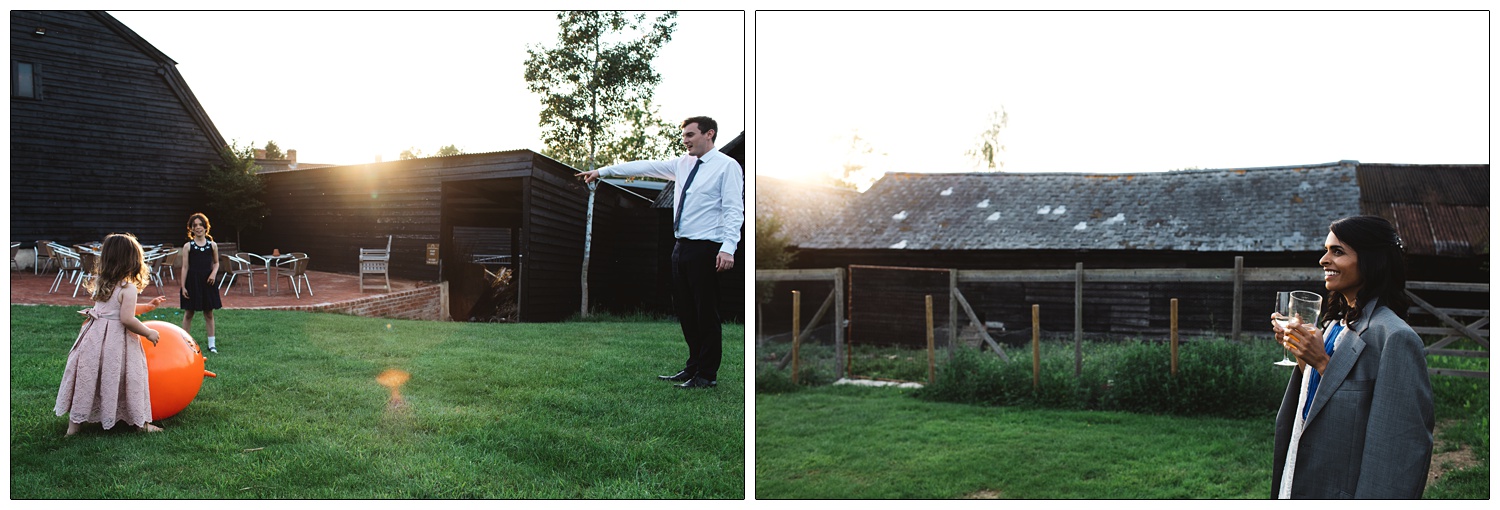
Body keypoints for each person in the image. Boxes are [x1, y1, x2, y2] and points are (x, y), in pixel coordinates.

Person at [1270, 215, 1434, 499]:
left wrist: (1322, 362)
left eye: (1337, 251)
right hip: (1302, 476)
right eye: (1326, 249)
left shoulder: (1395, 337)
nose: (1323, 259)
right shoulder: (1335, 324)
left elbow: (1398, 449)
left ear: (1371, 260)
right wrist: (1304, 356)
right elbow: (1320, 398)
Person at [577, 116, 744, 389]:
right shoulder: (682, 164)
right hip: (681, 247)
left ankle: (707, 375)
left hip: (708, 248)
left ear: (709, 134)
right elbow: (646, 166)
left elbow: (734, 210)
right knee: (687, 312)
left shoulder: (727, 167)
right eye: (684, 136)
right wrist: (603, 172)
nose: (685, 140)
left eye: (690, 135)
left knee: (705, 312)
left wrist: (728, 248)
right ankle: (692, 368)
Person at [54, 233, 169, 435]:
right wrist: (148, 332)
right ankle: (140, 423)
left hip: (94, 339)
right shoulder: (128, 287)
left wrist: (148, 307)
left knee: (88, 378)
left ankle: (73, 427)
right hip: (116, 342)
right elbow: (126, 318)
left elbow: (116, 310)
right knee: (129, 377)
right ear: (132, 261)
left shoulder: (102, 282)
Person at [179, 213, 222, 353]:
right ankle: (185, 343)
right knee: (189, 313)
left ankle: (212, 345)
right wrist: (183, 286)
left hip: (208, 282)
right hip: (193, 282)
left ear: (205, 227)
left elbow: (216, 263)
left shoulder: (212, 245)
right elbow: (185, 267)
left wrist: (213, 273)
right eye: (194, 225)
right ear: (191, 229)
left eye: (200, 225)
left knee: (209, 313)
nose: (198, 228)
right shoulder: (188, 246)